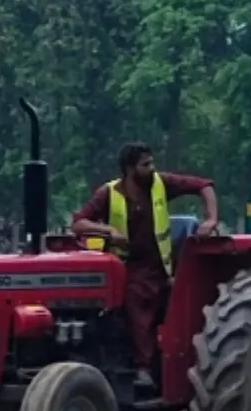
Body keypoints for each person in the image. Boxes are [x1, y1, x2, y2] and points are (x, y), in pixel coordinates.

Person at [71, 142, 219, 390]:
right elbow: (78, 224)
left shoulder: (161, 183)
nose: (152, 168)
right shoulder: (109, 193)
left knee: (144, 301)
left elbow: (204, 186)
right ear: (130, 169)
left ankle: (146, 369)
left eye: (152, 163)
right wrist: (107, 230)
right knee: (133, 299)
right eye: (145, 164)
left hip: (159, 267)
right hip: (127, 266)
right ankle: (133, 365)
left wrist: (211, 219)